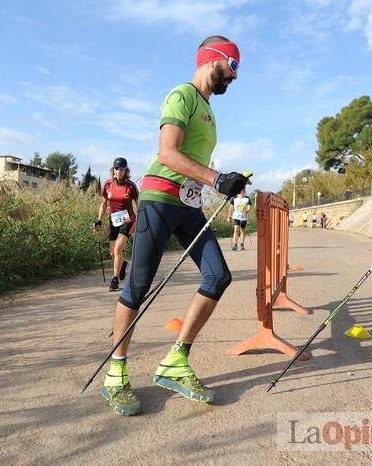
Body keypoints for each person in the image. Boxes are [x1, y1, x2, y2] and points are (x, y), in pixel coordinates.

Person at [100, 35, 249, 416]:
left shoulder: (210, 112)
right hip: (159, 200)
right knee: (138, 285)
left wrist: (225, 183)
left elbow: (198, 165)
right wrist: (217, 178)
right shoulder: (181, 95)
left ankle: (175, 363)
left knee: (218, 277)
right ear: (213, 59)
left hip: (189, 204)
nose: (235, 77)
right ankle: (115, 374)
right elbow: (168, 153)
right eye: (233, 67)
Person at [94, 157, 139, 291]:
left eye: (123, 169)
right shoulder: (107, 184)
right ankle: (122, 264)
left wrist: (143, 218)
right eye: (117, 168)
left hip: (128, 220)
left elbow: (139, 204)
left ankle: (115, 280)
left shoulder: (131, 186)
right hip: (114, 220)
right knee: (113, 253)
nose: (119, 171)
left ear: (126, 171)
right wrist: (99, 220)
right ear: (113, 169)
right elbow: (104, 204)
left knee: (118, 249)